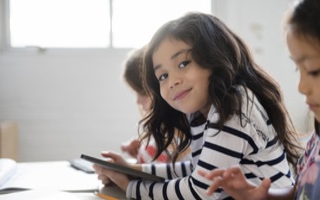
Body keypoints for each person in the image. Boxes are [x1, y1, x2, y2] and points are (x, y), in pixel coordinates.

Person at [93, 12, 302, 199]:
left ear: (214, 57)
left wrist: (129, 187)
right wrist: (131, 170)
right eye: (163, 76)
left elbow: (200, 191)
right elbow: (198, 170)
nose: (172, 81)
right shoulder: (204, 111)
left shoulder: (233, 105)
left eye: (183, 64)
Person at [199, 0, 320, 199]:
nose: (301, 86)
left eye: (314, 71)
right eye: (299, 69)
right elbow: (300, 192)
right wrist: (260, 195)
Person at [120, 46, 191, 164]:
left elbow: (155, 174)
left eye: (142, 93)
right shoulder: (162, 134)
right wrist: (140, 153)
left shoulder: (174, 140)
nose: (137, 101)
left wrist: (127, 170)